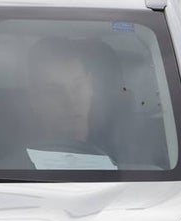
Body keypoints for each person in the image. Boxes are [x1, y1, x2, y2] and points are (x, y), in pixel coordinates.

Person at [25, 37, 117, 168]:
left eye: (78, 86)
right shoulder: (11, 169)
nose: (71, 102)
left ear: (90, 86)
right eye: (54, 91)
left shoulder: (130, 160)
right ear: (34, 99)